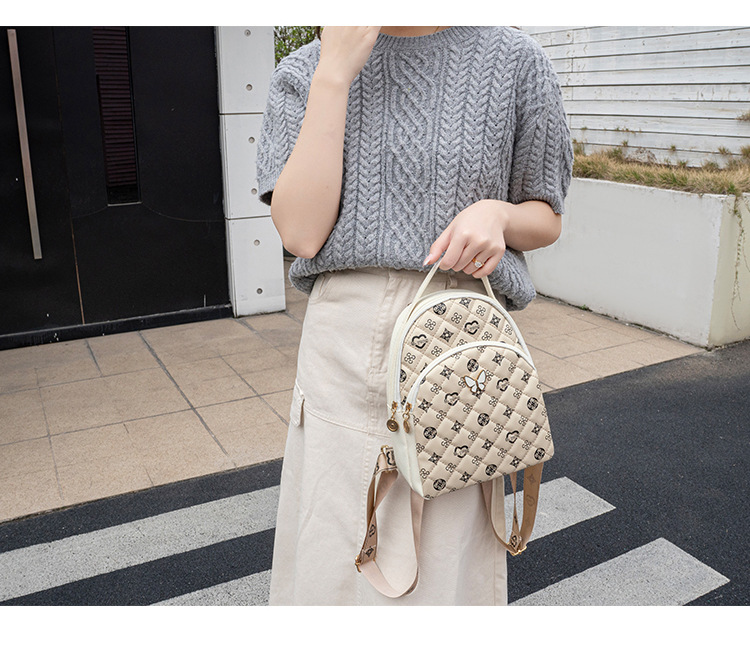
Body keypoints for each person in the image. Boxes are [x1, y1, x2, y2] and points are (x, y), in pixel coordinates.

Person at [256, 25, 573, 605]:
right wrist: (334, 74)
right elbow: (300, 233)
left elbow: (546, 214)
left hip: (459, 340)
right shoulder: (305, 71)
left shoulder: (514, 61)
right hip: (343, 343)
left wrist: (499, 215)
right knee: (332, 554)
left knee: (442, 566)